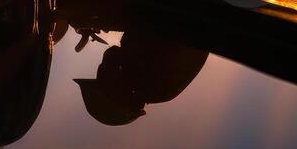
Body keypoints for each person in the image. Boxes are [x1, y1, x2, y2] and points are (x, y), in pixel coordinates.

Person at [74, 29, 208, 126]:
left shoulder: (148, 85)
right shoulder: (149, 80)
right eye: (102, 79)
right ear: (116, 94)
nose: (101, 70)